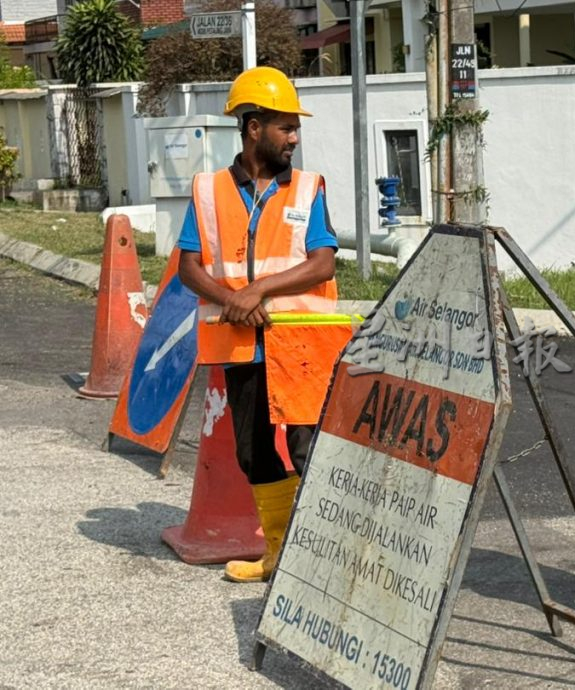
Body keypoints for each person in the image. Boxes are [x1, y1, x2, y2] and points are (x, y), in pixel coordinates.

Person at [178, 66, 344, 583]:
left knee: (305, 448)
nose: (294, 138)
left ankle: (319, 563)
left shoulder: (308, 188)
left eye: (295, 128)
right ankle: (280, 552)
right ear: (254, 128)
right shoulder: (208, 191)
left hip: (300, 347)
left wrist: (257, 292)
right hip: (240, 345)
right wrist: (233, 300)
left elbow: (323, 263)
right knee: (253, 452)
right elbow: (189, 267)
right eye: (285, 127)